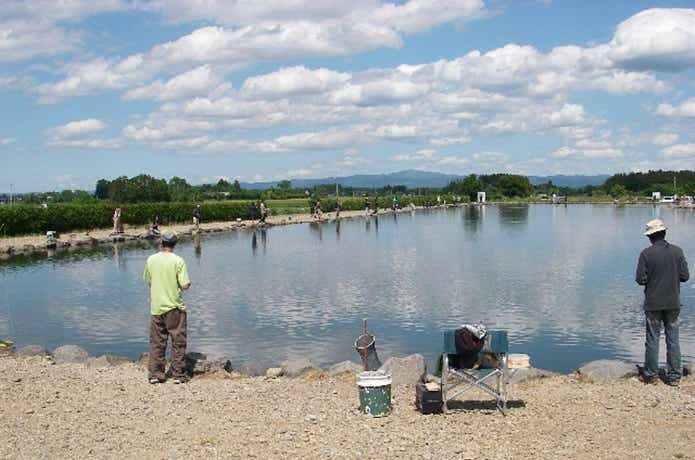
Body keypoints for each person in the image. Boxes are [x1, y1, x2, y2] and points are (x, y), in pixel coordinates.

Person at [635, 219, 689, 386]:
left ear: (650, 237)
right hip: (673, 301)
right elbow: (685, 277)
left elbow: (640, 280)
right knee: (673, 338)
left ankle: (651, 374)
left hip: (653, 302)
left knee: (652, 338)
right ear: (664, 233)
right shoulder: (678, 251)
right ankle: (674, 376)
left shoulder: (646, 254)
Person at [143, 232, 191, 384]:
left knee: (157, 342)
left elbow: (148, 280)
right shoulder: (178, 261)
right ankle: (178, 375)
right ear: (175, 244)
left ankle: (156, 374)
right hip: (174, 307)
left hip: (156, 307)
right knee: (178, 341)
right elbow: (185, 285)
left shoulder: (151, 259)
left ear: (161, 243)